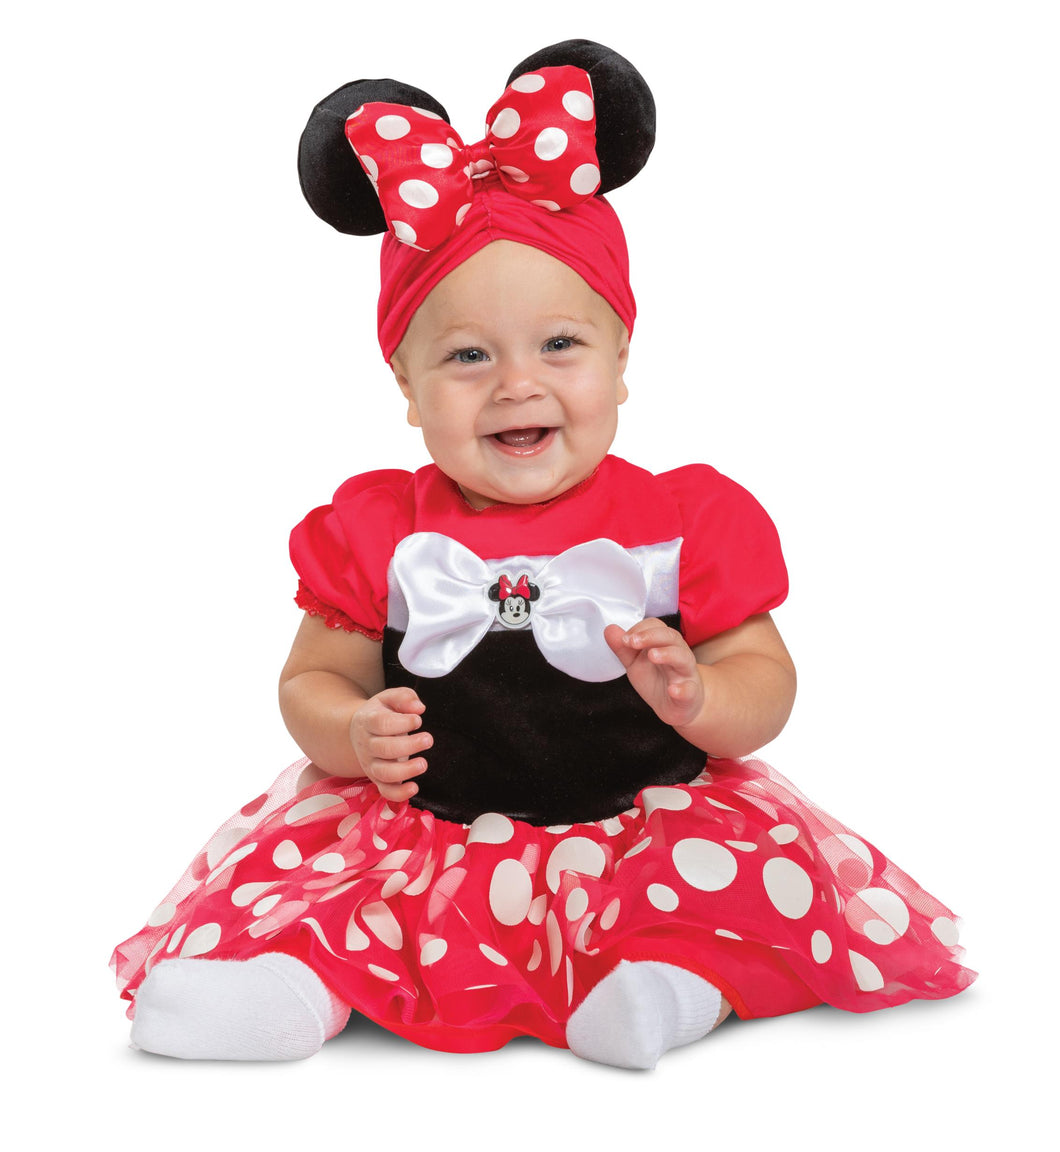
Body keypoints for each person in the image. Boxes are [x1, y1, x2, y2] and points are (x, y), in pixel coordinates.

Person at [111, 39, 975, 1069]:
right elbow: (311, 678)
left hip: (640, 816)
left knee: (716, 893)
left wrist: (701, 694)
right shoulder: (377, 529)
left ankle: (669, 989)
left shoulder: (684, 520)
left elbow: (766, 682)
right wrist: (349, 728)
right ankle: (289, 990)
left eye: (560, 345)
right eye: (467, 355)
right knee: (341, 900)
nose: (516, 383)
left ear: (621, 361)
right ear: (407, 387)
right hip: (432, 827)